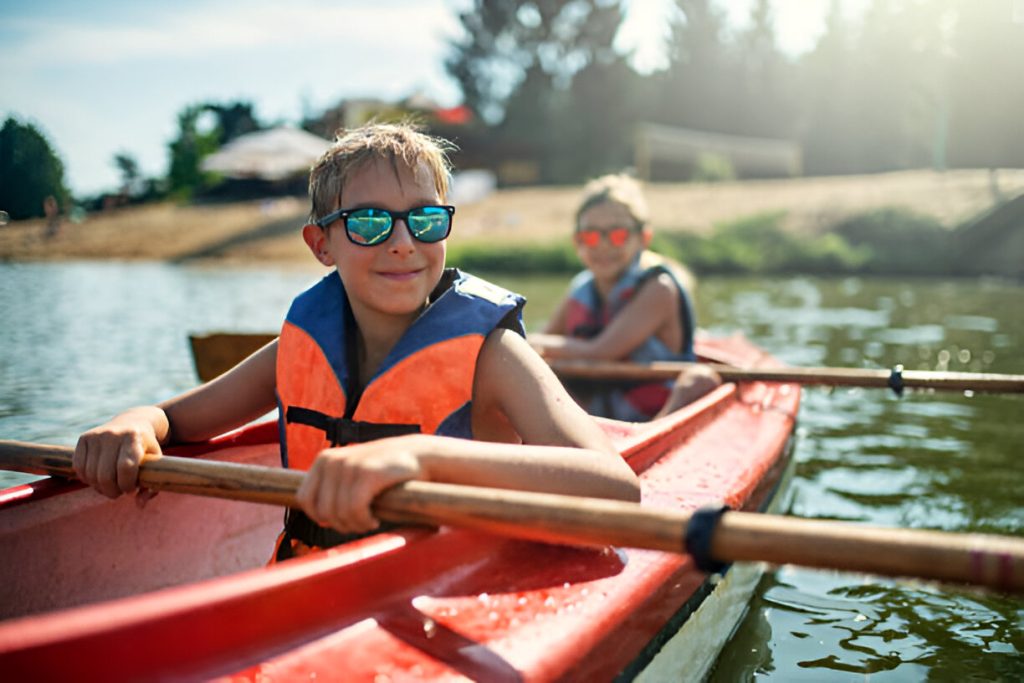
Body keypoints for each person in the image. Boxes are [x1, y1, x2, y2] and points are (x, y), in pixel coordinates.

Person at [72, 122, 639, 561]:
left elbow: (615, 488)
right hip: (315, 589)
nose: (403, 242)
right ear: (321, 245)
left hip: (449, 591)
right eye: (369, 223)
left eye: (425, 220)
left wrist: (419, 455)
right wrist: (137, 422)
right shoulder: (300, 346)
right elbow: (176, 420)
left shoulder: (492, 355)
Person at [530, 173, 720, 421]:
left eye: (617, 235)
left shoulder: (659, 288)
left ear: (643, 239)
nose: (603, 246)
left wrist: (534, 344)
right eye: (591, 236)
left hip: (654, 410)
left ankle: (653, 434)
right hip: (597, 408)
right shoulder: (581, 288)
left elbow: (600, 351)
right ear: (577, 242)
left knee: (700, 381)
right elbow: (548, 338)